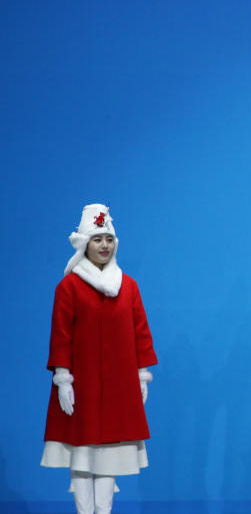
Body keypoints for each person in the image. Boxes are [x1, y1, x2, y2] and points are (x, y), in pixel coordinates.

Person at [42, 204, 157, 514]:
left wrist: (141, 374)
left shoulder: (128, 286)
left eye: (109, 238)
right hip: (83, 386)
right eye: (97, 239)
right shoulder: (69, 287)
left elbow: (140, 332)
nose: (104, 245)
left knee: (110, 454)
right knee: (82, 452)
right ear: (84, 244)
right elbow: (61, 334)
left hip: (119, 386)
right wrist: (63, 377)